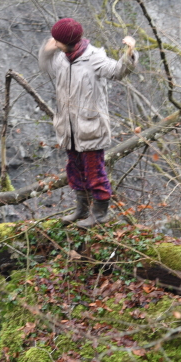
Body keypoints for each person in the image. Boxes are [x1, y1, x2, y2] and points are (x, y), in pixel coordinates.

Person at [39, 18, 138, 227]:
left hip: (91, 128)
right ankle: (82, 210)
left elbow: (118, 71)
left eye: (57, 40)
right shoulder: (62, 59)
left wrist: (129, 53)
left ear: (68, 41)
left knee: (95, 173)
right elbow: (47, 68)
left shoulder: (94, 58)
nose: (54, 43)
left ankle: (100, 215)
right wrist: (46, 52)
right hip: (69, 129)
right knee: (75, 171)